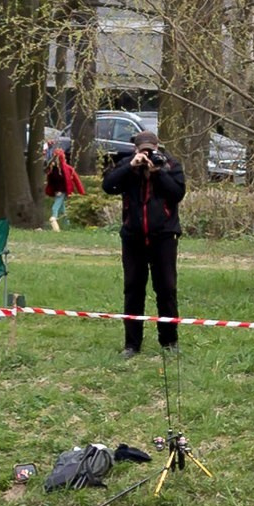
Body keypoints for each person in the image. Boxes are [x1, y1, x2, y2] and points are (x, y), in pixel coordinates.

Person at [101, 129, 184, 355]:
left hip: (164, 237)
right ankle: (132, 344)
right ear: (136, 150)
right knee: (133, 289)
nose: (147, 154)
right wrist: (130, 167)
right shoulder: (127, 165)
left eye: (151, 150)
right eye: (143, 150)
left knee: (166, 289)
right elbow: (108, 186)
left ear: (158, 147)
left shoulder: (171, 165)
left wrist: (158, 173)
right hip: (133, 237)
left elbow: (177, 194)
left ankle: (169, 341)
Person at [44, 136, 84, 231]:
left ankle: (54, 223)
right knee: (62, 209)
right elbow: (50, 180)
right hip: (57, 191)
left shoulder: (67, 169)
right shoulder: (52, 169)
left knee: (55, 208)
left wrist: (81, 192)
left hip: (62, 191)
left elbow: (76, 180)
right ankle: (67, 223)